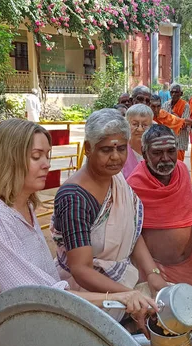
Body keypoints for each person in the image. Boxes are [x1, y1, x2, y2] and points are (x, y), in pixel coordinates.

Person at [0, 119, 156, 346]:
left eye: (47, 155)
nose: (46, 164)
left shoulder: (25, 208)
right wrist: (119, 296)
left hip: (14, 345)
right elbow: (40, 295)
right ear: (9, 159)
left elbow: (44, 283)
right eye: (36, 156)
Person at [51, 109, 167, 330]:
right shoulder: (74, 198)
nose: (116, 157)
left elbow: (131, 232)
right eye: (106, 150)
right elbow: (81, 269)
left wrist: (153, 274)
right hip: (84, 301)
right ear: (88, 149)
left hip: (116, 294)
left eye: (121, 149)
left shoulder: (117, 179)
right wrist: (125, 294)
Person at [128, 125, 192, 291]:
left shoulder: (182, 170)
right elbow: (131, 234)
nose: (166, 158)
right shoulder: (134, 185)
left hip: (187, 265)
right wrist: (152, 272)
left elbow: (188, 210)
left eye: (171, 151)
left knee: (190, 314)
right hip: (153, 270)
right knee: (153, 315)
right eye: (157, 153)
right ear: (145, 153)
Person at [122, 104, 154, 178]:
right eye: (135, 124)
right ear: (127, 125)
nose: (140, 129)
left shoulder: (156, 150)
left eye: (145, 125)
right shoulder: (120, 151)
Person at [164, 83, 191, 161]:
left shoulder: (185, 105)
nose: (174, 94)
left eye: (176, 92)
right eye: (172, 92)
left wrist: (174, 118)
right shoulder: (166, 105)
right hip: (168, 139)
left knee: (178, 163)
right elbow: (163, 121)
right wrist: (176, 120)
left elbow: (184, 124)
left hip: (180, 140)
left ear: (181, 93)